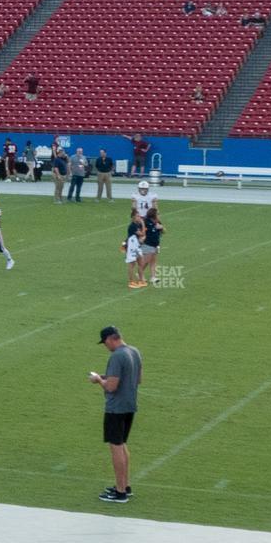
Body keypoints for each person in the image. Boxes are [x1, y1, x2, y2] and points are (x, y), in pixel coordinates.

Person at [89, 327, 141, 504]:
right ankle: (125, 486)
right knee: (122, 445)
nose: (106, 346)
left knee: (116, 447)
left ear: (111, 339)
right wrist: (107, 377)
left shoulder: (117, 356)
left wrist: (98, 380)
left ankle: (120, 492)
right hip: (130, 405)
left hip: (116, 408)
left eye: (105, 343)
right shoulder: (134, 351)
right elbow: (137, 379)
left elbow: (111, 387)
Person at [139, 206, 164, 285]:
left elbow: (164, 231)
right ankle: (140, 275)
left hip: (155, 245)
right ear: (153, 215)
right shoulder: (146, 222)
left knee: (153, 261)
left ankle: (153, 277)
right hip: (147, 244)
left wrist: (161, 228)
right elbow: (141, 232)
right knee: (146, 261)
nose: (159, 215)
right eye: (158, 214)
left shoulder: (158, 222)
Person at [124, 211, 147, 289]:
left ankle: (141, 280)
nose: (139, 217)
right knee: (132, 264)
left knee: (141, 262)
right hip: (132, 245)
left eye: (139, 216)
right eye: (137, 216)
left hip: (137, 245)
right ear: (133, 217)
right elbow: (142, 234)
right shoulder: (132, 226)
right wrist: (143, 224)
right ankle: (131, 281)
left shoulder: (137, 225)